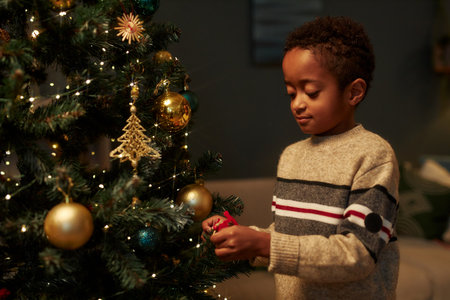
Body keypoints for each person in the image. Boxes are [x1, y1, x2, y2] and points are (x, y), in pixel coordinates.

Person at [202, 16, 400, 299]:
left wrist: (264, 244)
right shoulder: (292, 156)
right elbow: (287, 235)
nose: (297, 104)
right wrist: (240, 238)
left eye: (311, 92)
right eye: (291, 92)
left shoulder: (373, 156)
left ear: (354, 92)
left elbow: (358, 254)